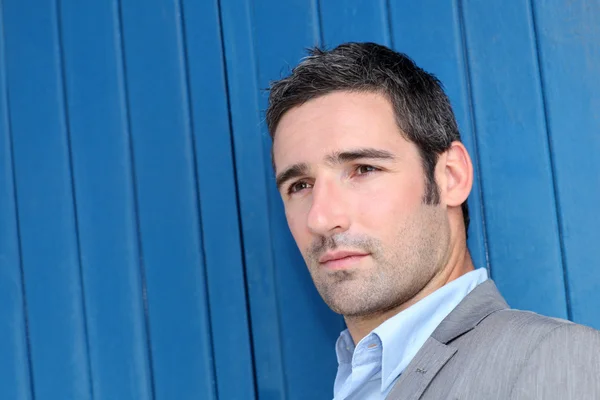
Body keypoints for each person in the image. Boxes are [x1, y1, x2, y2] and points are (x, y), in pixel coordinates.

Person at [265, 42, 600, 399]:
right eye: (300, 185)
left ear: (450, 177)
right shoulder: (359, 381)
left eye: (363, 169)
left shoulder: (556, 359)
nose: (320, 217)